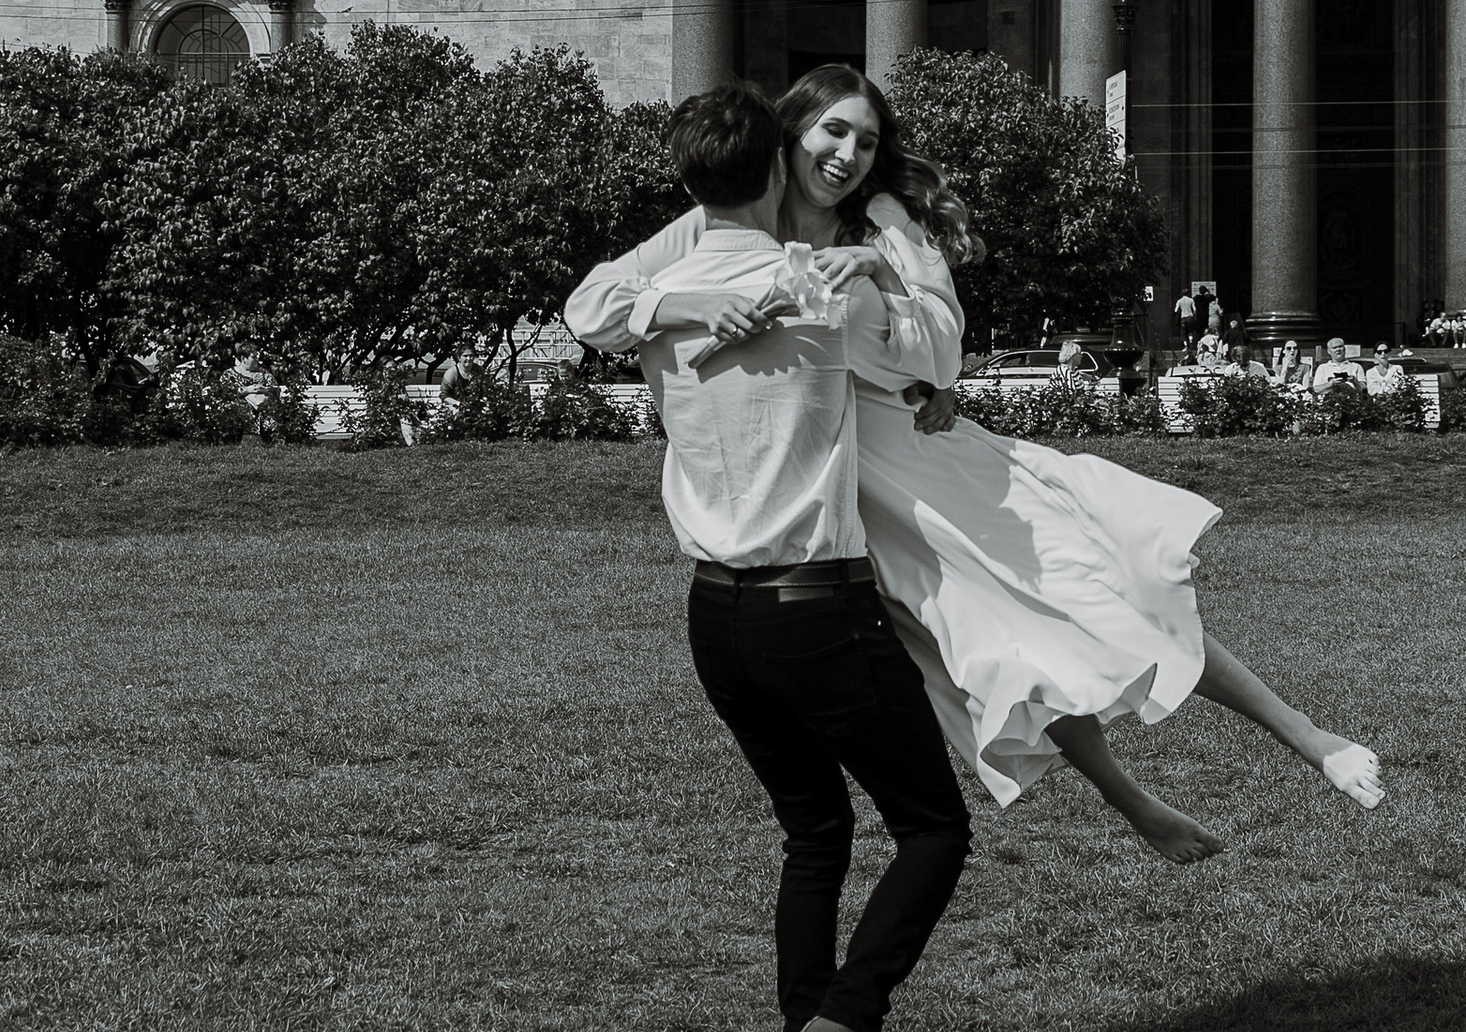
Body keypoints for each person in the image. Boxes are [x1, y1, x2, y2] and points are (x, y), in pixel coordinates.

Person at [575, 67, 1386, 909]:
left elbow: (941, 347)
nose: (848, 154)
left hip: (919, 457)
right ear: (791, 135)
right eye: (833, 132)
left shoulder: (884, 222)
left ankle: (1310, 737)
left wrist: (879, 277)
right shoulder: (734, 213)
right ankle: (1132, 800)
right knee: (1003, 651)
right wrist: (695, 307)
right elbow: (594, 303)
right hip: (839, 493)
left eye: (867, 141)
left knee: (1103, 592)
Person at [562, 83, 972, 1032]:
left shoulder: (662, 292)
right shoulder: (816, 286)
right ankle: (848, 1019)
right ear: (783, 162)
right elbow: (934, 356)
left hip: (717, 620)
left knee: (814, 832)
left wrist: (678, 309)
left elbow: (586, 309)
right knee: (933, 827)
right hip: (819, 609)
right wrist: (882, 271)